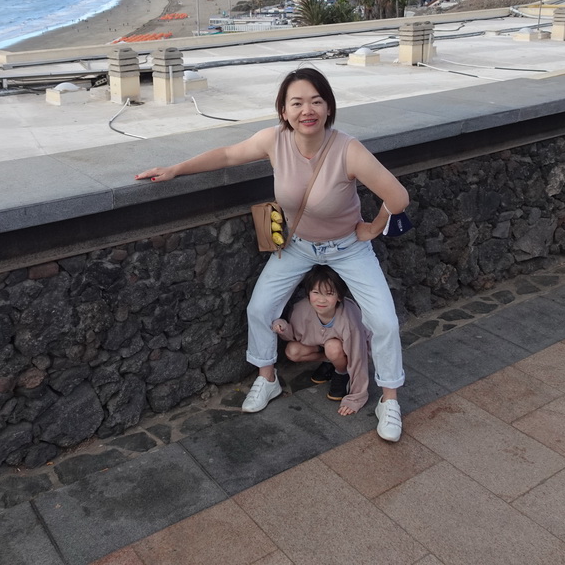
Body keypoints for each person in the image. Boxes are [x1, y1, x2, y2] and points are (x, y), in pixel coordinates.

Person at [136, 67, 409, 441]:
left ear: (329, 107)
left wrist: (371, 228)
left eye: (316, 101)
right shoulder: (274, 141)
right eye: (296, 102)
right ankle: (268, 379)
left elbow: (397, 197)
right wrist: (175, 169)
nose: (306, 110)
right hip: (297, 245)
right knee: (260, 308)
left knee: (385, 321)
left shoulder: (348, 149)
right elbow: (230, 155)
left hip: (348, 247)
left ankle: (389, 400)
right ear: (283, 110)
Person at [271, 265, 369, 416]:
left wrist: (355, 398)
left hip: (346, 347)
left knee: (332, 347)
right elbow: (295, 335)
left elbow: (358, 357)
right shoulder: (301, 309)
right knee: (292, 351)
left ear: (339, 296)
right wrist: (282, 326)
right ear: (308, 293)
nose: (321, 300)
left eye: (329, 294)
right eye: (316, 292)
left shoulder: (349, 320)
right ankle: (330, 361)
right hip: (319, 344)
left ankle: (341, 372)